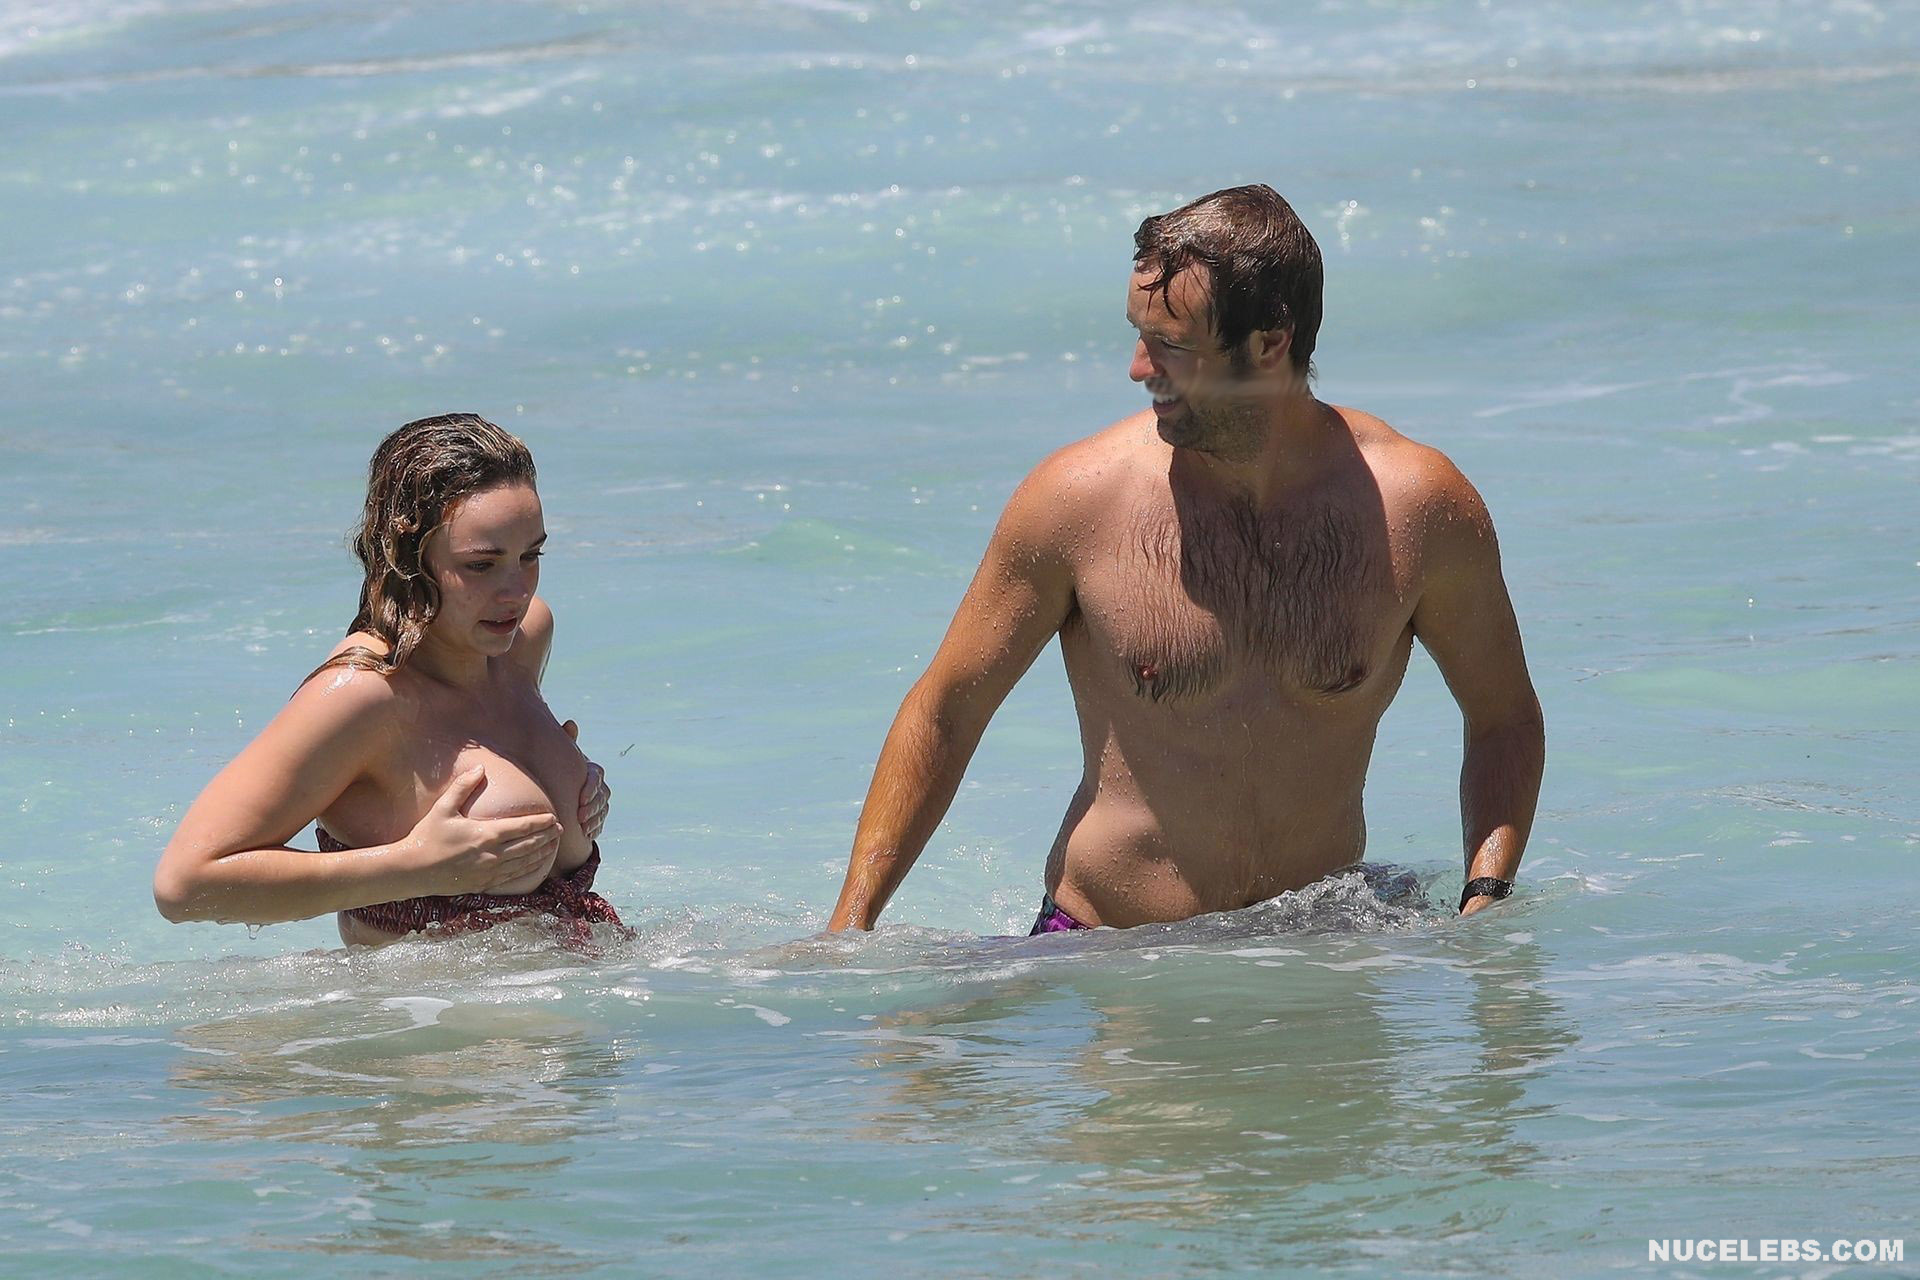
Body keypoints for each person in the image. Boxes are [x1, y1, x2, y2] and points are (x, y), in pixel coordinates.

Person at [828, 185, 1545, 934]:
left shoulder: (1419, 508)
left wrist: (1484, 900)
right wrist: (850, 928)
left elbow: (1503, 718)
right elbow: (947, 711)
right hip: (1106, 951)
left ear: (1269, 344)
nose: (1140, 368)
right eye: (1139, 335)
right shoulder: (1077, 500)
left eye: (1171, 345)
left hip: (1315, 944)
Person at [154, 414, 623, 945]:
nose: (516, 591)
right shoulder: (364, 695)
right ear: (408, 556)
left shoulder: (521, 639)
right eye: (481, 565)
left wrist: (567, 779)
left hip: (586, 983)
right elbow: (185, 885)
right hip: (425, 1000)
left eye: (530, 555)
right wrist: (416, 865)